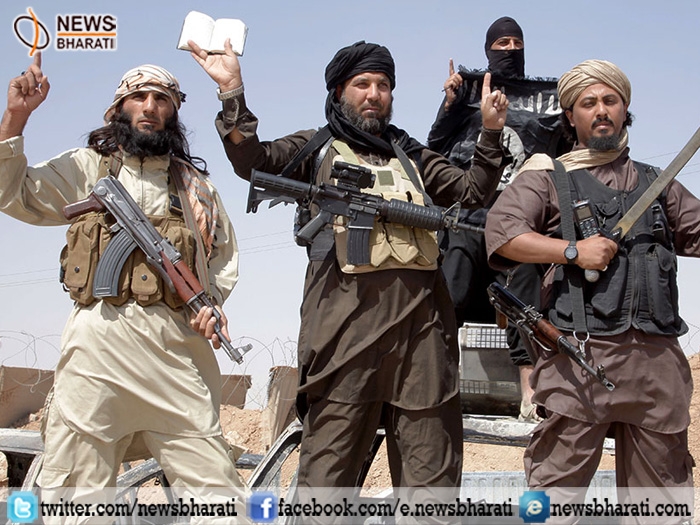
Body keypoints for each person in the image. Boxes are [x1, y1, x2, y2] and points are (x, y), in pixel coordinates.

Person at [190, 39, 508, 493]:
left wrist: (490, 132)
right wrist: (232, 92)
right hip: (344, 337)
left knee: (432, 484)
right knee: (327, 483)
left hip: (422, 339)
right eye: (362, 84)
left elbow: (471, 191)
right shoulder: (318, 148)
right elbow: (252, 160)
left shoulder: (409, 155)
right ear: (339, 91)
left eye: (383, 85)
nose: (374, 94)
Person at [0, 53, 248, 517]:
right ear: (119, 109)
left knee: (218, 494)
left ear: (174, 111)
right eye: (139, 97)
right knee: (75, 496)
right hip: (96, 353)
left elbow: (221, 261)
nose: (150, 106)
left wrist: (210, 304)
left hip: (174, 353)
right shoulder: (87, 169)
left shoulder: (195, 189)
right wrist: (16, 116)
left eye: (161, 99)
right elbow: (10, 192)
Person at [485, 59, 696, 515]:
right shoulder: (548, 178)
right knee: (552, 503)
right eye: (589, 103)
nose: (601, 110)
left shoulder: (658, 185)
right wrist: (572, 251)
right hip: (578, 364)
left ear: (624, 109)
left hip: (656, 371)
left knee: (661, 505)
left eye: (610, 101)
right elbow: (502, 234)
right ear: (571, 115)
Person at [428, 16, 572, 422]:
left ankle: (530, 390)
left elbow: (566, 153)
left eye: (516, 43)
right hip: (468, 219)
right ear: (488, 49)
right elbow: (435, 147)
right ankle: (439, 382)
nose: (510, 49)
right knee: (450, 286)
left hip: (519, 222)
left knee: (524, 293)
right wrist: (450, 105)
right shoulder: (470, 94)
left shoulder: (547, 102)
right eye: (501, 43)